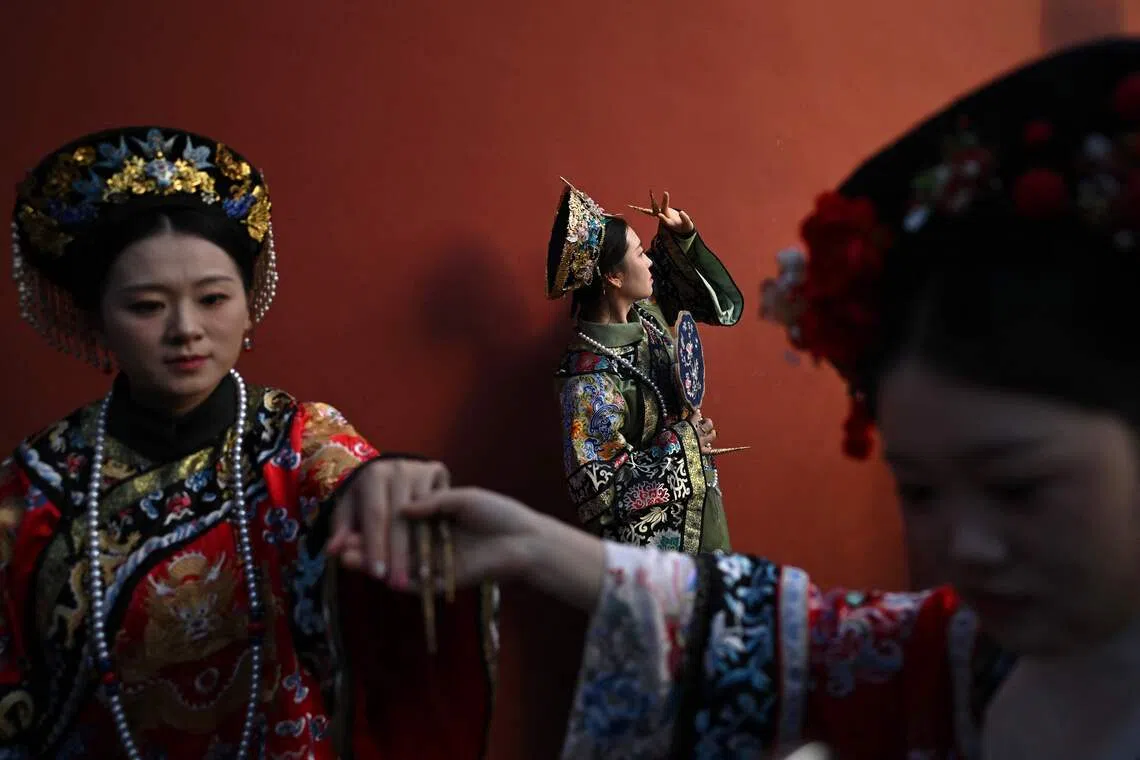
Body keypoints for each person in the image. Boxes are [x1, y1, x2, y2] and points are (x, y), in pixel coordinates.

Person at [367, 39, 1140, 759]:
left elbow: (722, 305)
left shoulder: (656, 322)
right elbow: (785, 632)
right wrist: (544, 541)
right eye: (919, 490)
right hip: (657, 528)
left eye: (1018, 486)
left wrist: (684, 244)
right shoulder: (589, 378)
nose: (964, 546)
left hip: (693, 511)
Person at [0, 127, 497, 759]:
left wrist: (392, 486)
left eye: (212, 299)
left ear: (247, 301)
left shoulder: (298, 438)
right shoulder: (34, 487)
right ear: (97, 318)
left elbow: (353, 482)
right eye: (148, 306)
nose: (186, 330)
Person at [547, 180, 743, 553]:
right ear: (614, 276)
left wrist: (682, 237)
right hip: (651, 554)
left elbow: (696, 295)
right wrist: (687, 442)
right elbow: (602, 493)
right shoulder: (587, 381)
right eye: (640, 254)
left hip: (702, 518)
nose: (650, 260)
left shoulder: (648, 317)